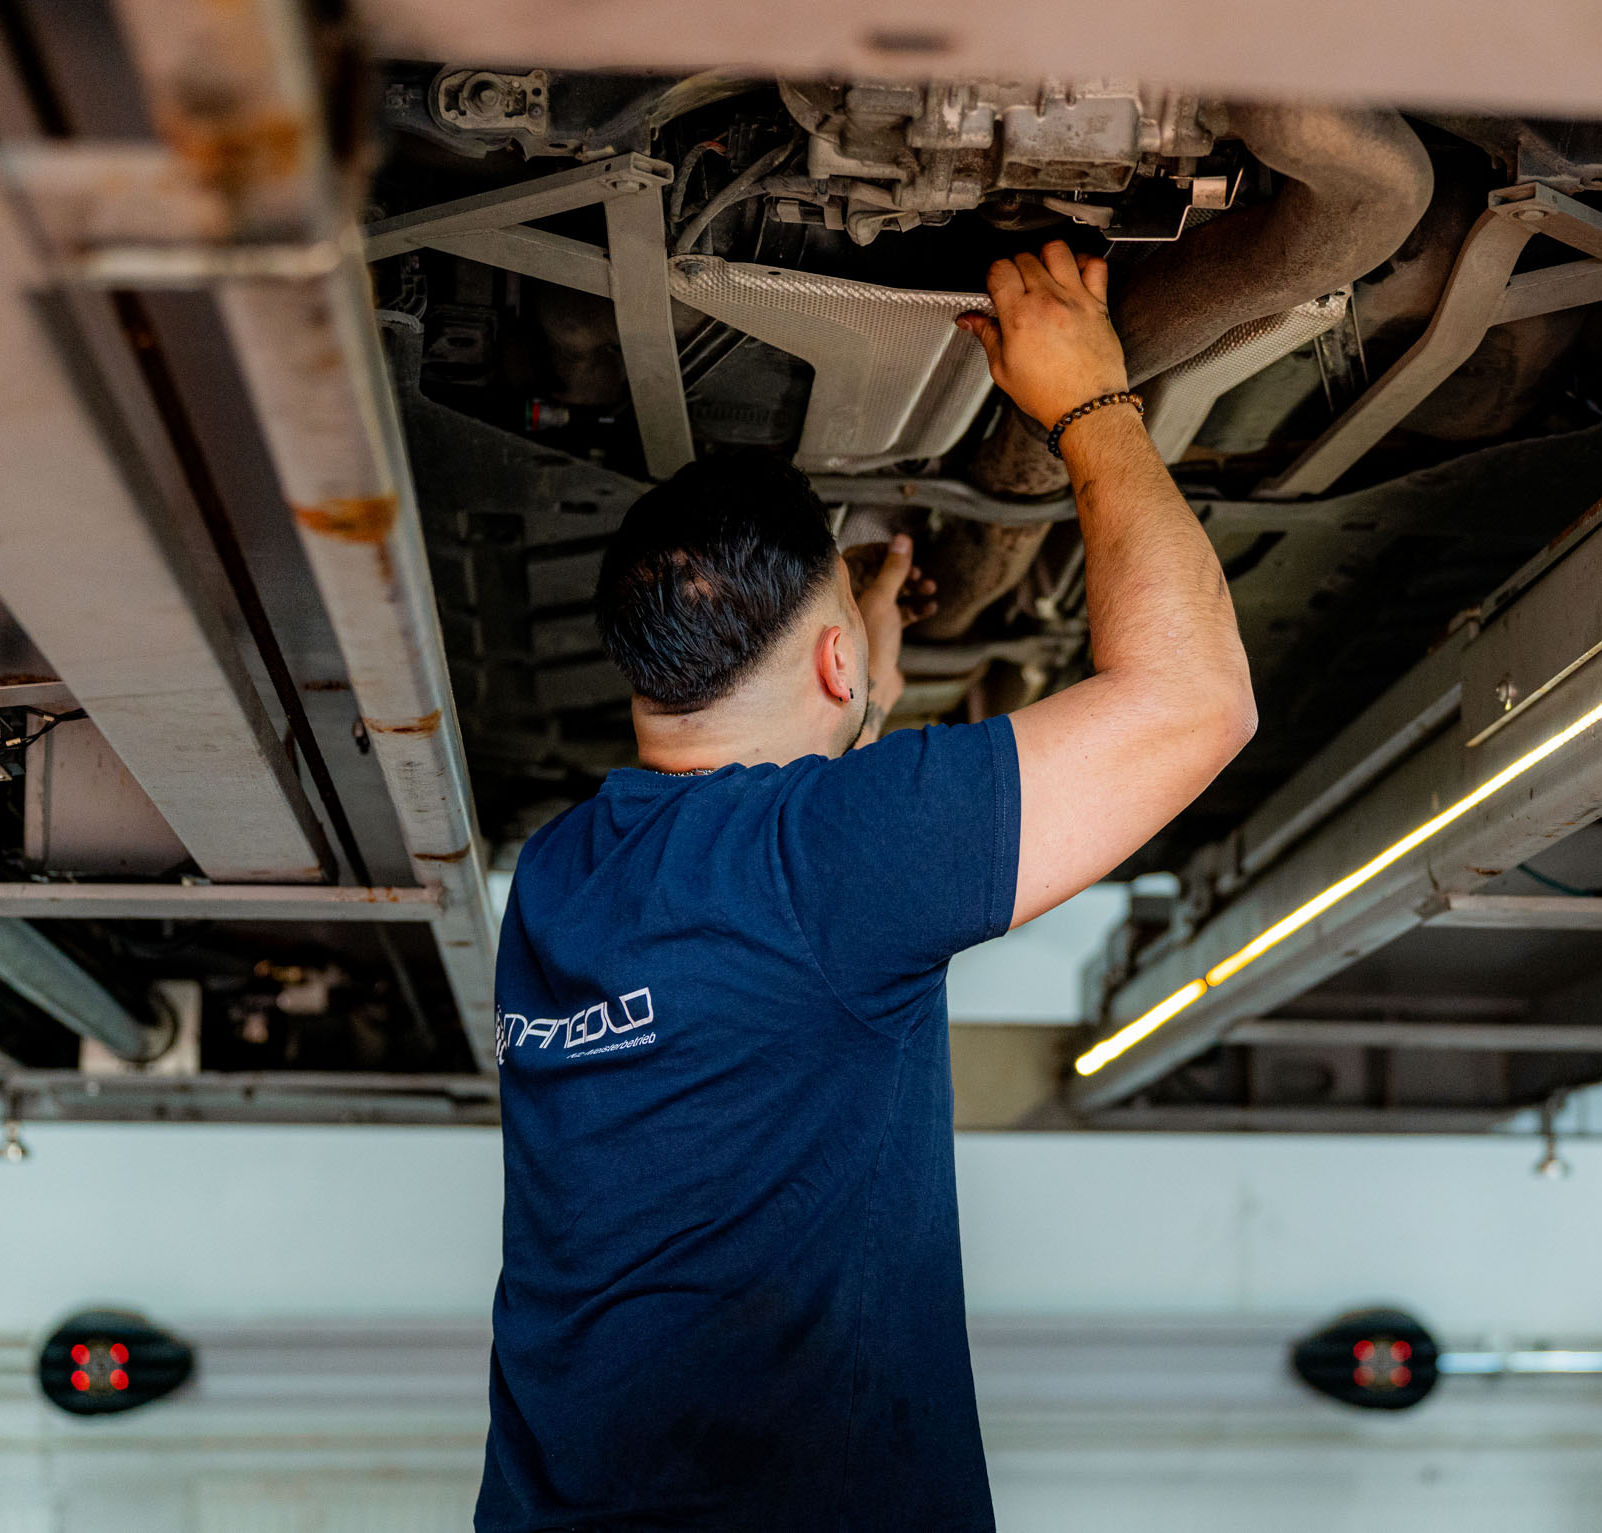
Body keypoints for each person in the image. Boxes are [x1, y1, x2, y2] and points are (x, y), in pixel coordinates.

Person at [479, 241, 1256, 1532]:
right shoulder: (820, 866)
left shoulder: (568, 878)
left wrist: (858, 674)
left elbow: (779, 871)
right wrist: (1090, 402)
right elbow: (1198, 699)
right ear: (836, 668)